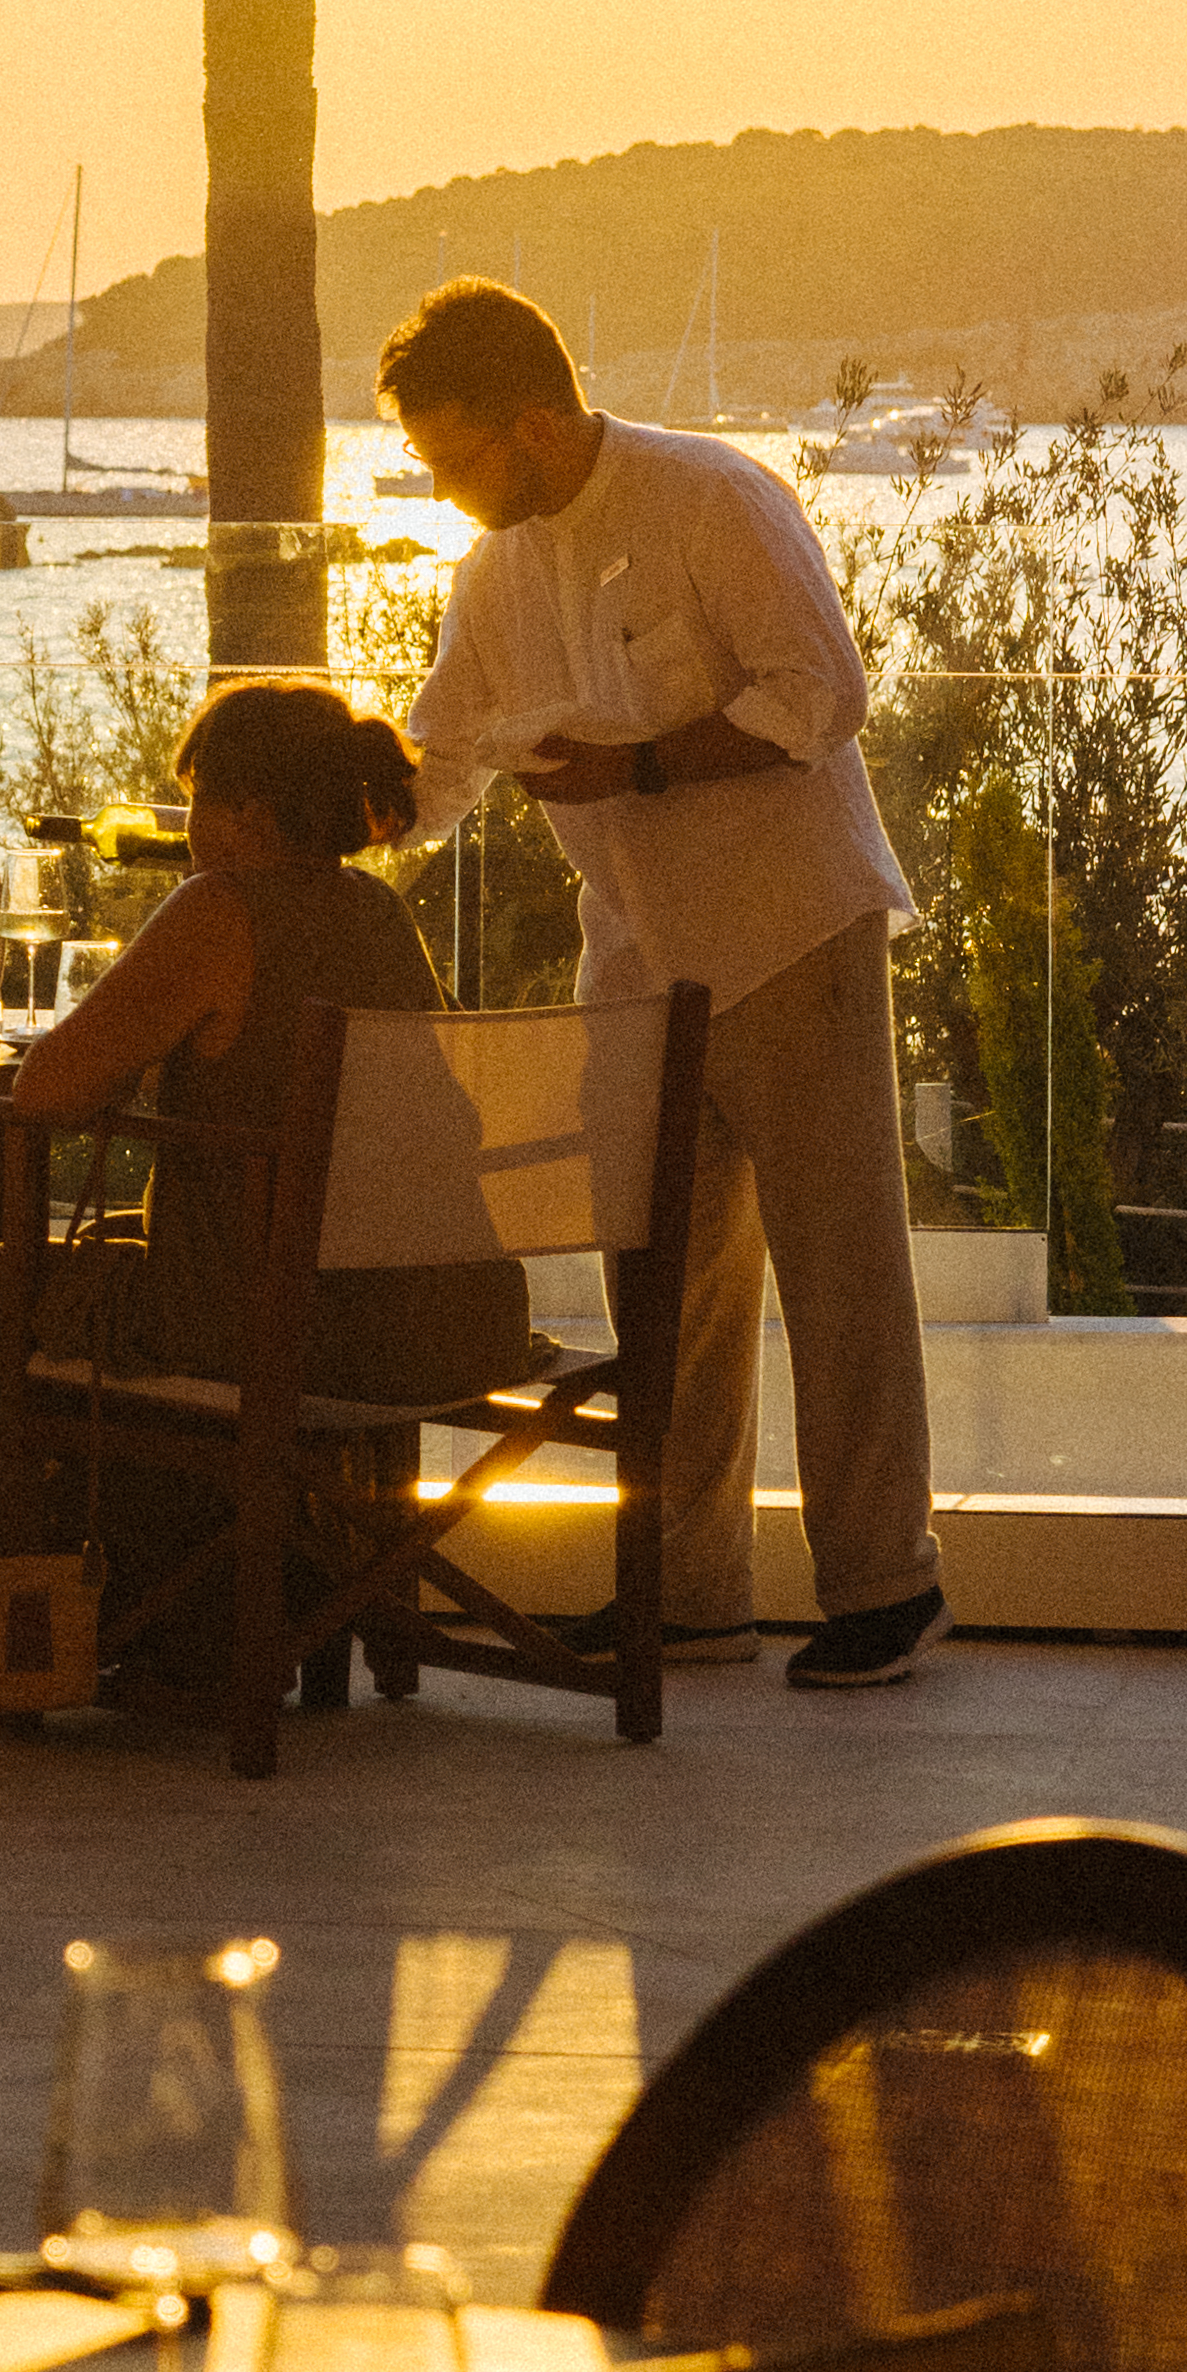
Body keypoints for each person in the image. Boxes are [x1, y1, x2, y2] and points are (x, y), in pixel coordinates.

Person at [377, 272, 944, 1686]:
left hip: (787, 931)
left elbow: (817, 692)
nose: (439, 489)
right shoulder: (489, 574)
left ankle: (884, 1585)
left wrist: (634, 766)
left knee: (838, 1271)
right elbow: (435, 764)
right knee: (666, 1290)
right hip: (632, 955)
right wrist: (293, 807)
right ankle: (687, 1593)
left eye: (451, 458)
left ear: (528, 420)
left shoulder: (712, 500)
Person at [0, 676, 539, 1669]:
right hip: (450, 1315)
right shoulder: (380, 916)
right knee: (142, 1266)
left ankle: (26, 1645)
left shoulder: (220, 909)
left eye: (197, 808)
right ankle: (250, 1601)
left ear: (246, 817)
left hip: (289, 1331)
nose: (187, 834)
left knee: (8, 1283)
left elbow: (47, 1090)